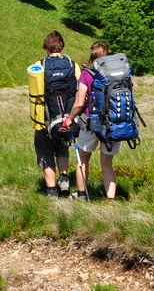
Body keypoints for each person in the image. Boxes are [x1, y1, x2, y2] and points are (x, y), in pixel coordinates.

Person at [62, 41, 119, 200]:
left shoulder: (87, 74)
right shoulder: (116, 73)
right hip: (113, 123)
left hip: (91, 123)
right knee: (107, 163)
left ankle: (81, 195)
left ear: (92, 55)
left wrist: (70, 118)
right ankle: (111, 200)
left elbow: (79, 103)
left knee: (83, 159)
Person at [33, 31, 78, 197]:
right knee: (62, 147)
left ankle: (52, 191)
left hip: (45, 118)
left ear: (47, 46)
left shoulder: (39, 65)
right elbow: (79, 92)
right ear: (62, 45)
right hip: (67, 118)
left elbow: (35, 93)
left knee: (45, 151)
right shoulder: (72, 64)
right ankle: (64, 179)